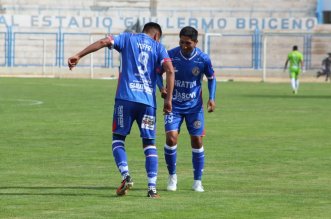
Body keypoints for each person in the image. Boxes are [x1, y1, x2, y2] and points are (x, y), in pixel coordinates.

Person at [68, 22, 175, 198]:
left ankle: (126, 175)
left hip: (125, 99)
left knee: (118, 139)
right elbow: (169, 71)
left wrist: (79, 55)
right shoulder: (158, 47)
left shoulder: (127, 38)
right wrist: (168, 99)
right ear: (156, 36)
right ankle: (152, 188)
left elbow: (104, 42)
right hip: (148, 103)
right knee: (149, 143)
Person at [156, 26, 216, 192]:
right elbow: (157, 73)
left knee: (197, 141)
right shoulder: (171, 55)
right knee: (171, 138)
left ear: (196, 42)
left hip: (194, 107)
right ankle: (172, 177)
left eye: (188, 43)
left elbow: (212, 78)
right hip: (173, 106)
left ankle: (197, 181)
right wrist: (161, 88)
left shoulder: (203, 59)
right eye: (181, 42)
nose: (184, 45)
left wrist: (211, 97)